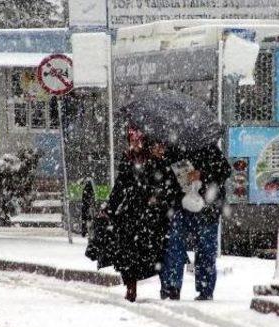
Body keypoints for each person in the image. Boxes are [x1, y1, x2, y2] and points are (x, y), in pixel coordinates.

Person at [89, 125, 181, 302]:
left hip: (152, 213)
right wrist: (108, 208)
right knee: (127, 250)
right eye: (132, 141)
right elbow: (120, 186)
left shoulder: (155, 160)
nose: (135, 144)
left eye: (138, 140)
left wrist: (157, 196)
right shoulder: (127, 159)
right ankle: (131, 288)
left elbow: (166, 184)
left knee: (158, 250)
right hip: (132, 212)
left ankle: (168, 288)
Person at [160, 144, 231, 301]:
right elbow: (164, 177)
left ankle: (203, 289)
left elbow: (225, 171)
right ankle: (173, 287)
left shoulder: (210, 150)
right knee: (174, 245)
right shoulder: (174, 149)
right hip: (181, 206)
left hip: (206, 209)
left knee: (204, 249)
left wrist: (202, 175)